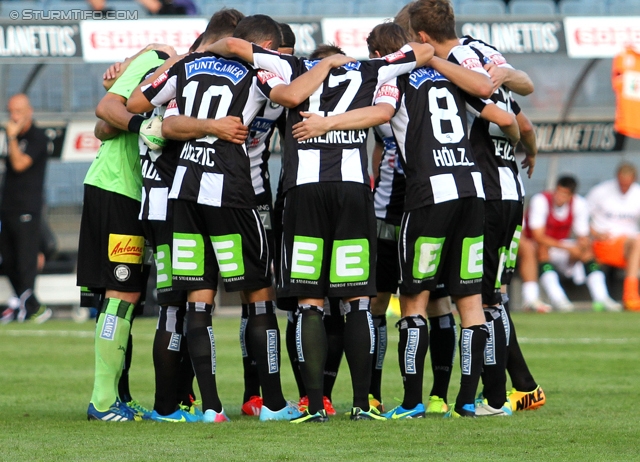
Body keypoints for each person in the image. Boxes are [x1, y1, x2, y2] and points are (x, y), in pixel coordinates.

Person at [128, 14, 351, 423]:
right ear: (262, 44)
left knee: (197, 299)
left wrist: (181, 61)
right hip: (236, 193)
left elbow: (139, 107)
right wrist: (325, 64)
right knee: (258, 294)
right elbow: (289, 96)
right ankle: (271, 403)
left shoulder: (188, 68)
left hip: (183, 191)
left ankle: (210, 407)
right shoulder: (256, 72)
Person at [205, 30, 435, 422]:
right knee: (357, 300)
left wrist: (194, 55)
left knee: (309, 302)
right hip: (352, 193)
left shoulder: (289, 65)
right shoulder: (370, 69)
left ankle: (313, 405)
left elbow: (233, 44)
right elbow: (426, 49)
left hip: (304, 195)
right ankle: (363, 405)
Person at [80, 44, 176, 422]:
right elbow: (105, 118)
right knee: (123, 294)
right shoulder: (158, 61)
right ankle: (102, 401)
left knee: (125, 299)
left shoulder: (163, 64)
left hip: (134, 193)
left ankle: (118, 396)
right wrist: (142, 125)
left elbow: (105, 124)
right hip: (118, 187)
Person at [520, 176, 621, 313]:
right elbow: (538, 237)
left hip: (558, 246)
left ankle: (602, 297)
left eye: (564, 194)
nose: (559, 197)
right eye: (558, 192)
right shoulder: (541, 201)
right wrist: (568, 248)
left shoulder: (579, 204)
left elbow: (583, 236)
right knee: (538, 248)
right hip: (534, 245)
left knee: (587, 252)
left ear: (571, 195)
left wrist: (581, 247)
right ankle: (557, 299)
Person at [0, 94, 52, 325]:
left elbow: (20, 164)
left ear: (29, 111)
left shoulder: (38, 137)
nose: (14, 116)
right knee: (8, 260)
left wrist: (11, 137)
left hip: (27, 208)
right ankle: (27, 304)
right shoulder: (9, 138)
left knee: (25, 260)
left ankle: (29, 306)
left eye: (19, 111)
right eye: (11, 111)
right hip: (7, 206)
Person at [587, 163, 640, 311]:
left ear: (634, 180)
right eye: (621, 184)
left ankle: (630, 294)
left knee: (637, 243)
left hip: (628, 247)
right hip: (602, 244)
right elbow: (582, 217)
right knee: (637, 244)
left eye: (627, 185)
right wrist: (596, 233)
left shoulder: (637, 193)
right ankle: (630, 295)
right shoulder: (600, 191)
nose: (624, 188)